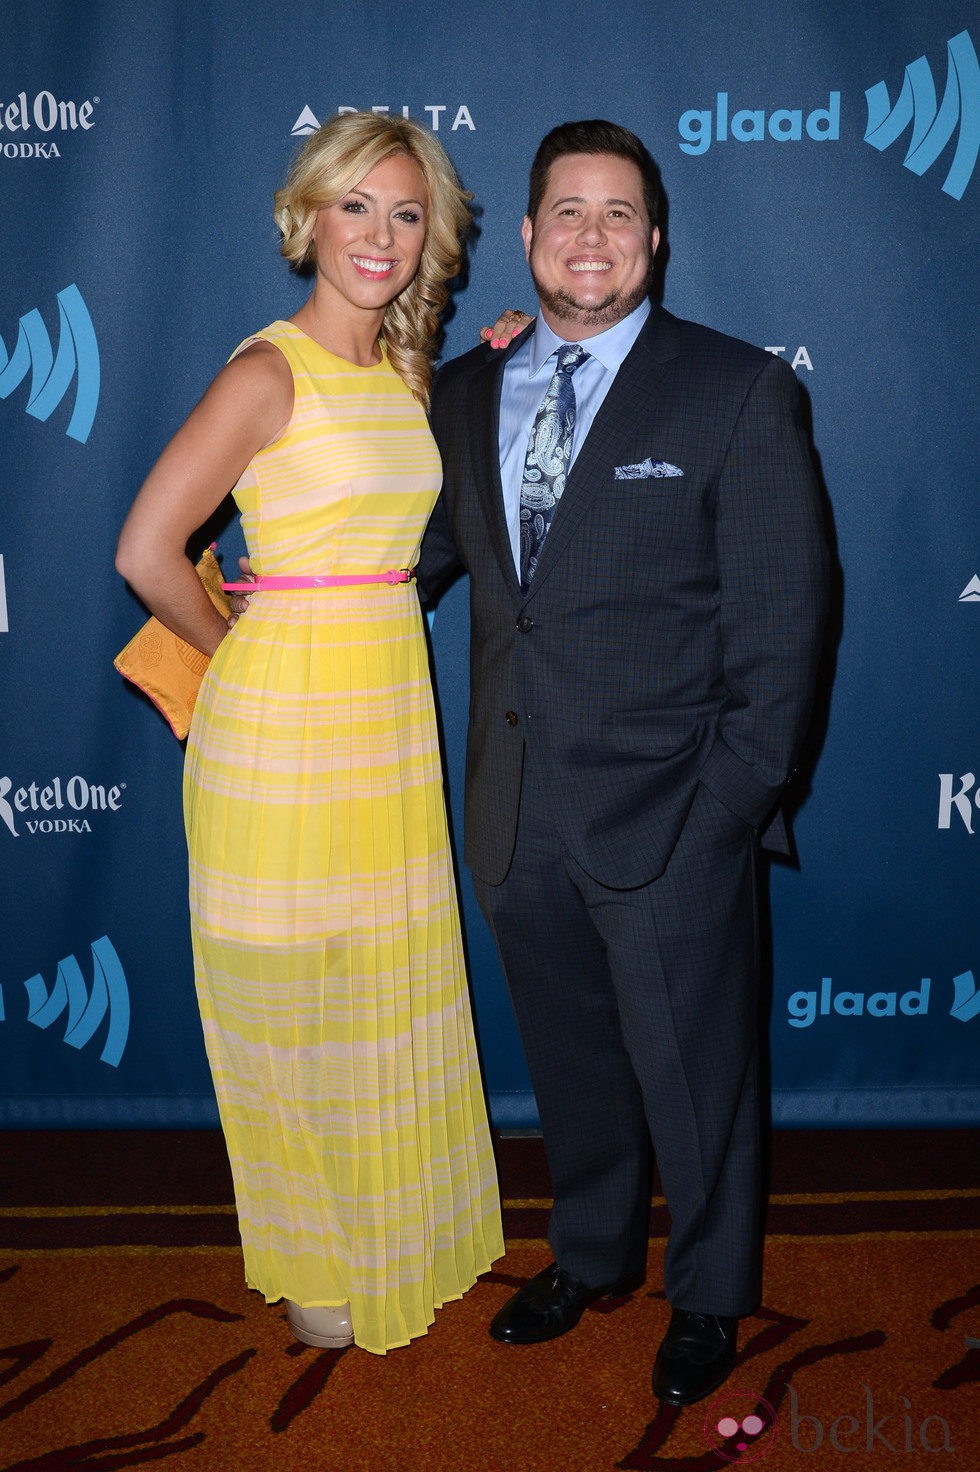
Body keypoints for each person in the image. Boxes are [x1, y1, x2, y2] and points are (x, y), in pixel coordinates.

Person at [416, 119, 830, 1405]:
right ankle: (588, 1254)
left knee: (698, 1079)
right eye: (566, 211)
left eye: (618, 215)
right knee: (573, 1065)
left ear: (652, 241)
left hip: (672, 820)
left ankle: (706, 1294)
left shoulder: (735, 388)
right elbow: (402, 563)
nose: (589, 235)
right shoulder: (462, 390)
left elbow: (784, 628)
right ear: (527, 235)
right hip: (516, 806)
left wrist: (721, 811)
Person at [115, 112, 503, 1356]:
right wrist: (234, 654)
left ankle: (386, 1234)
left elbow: (409, 464)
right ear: (309, 218)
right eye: (357, 207)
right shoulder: (263, 371)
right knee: (288, 1003)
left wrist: (488, 355)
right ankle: (310, 1254)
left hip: (385, 716)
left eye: (404, 213)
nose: (379, 236)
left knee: (377, 987)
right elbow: (144, 551)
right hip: (280, 723)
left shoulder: (401, 369)